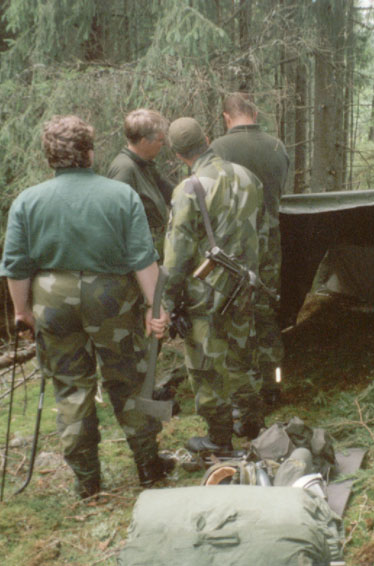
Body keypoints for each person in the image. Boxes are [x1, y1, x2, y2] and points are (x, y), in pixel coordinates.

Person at [0, 115, 173, 498]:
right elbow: (143, 259)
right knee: (128, 379)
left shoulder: (27, 201)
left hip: (52, 298)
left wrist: (22, 312)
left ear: (49, 156)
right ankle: (148, 466)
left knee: (71, 388)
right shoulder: (120, 195)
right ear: (90, 153)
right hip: (112, 296)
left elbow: (16, 266)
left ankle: (87, 481)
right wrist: (154, 306)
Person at [162, 117, 272, 453]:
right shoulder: (249, 178)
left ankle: (219, 439)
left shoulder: (189, 189)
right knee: (243, 358)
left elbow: (176, 256)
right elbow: (265, 234)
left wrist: (168, 302)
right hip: (245, 287)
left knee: (206, 368)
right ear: (207, 139)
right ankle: (252, 424)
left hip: (205, 295)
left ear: (177, 154)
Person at [210, 93, 288, 408]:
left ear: (226, 117)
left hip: (232, 247)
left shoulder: (218, 149)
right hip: (270, 242)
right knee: (266, 311)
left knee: (233, 314)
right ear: (254, 114)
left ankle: (240, 387)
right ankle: (272, 384)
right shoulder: (277, 147)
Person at [107, 109, 174, 257]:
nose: (163, 144)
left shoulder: (145, 165)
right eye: (160, 140)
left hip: (153, 251)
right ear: (144, 142)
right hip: (140, 256)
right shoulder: (125, 169)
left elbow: (172, 194)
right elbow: (115, 221)